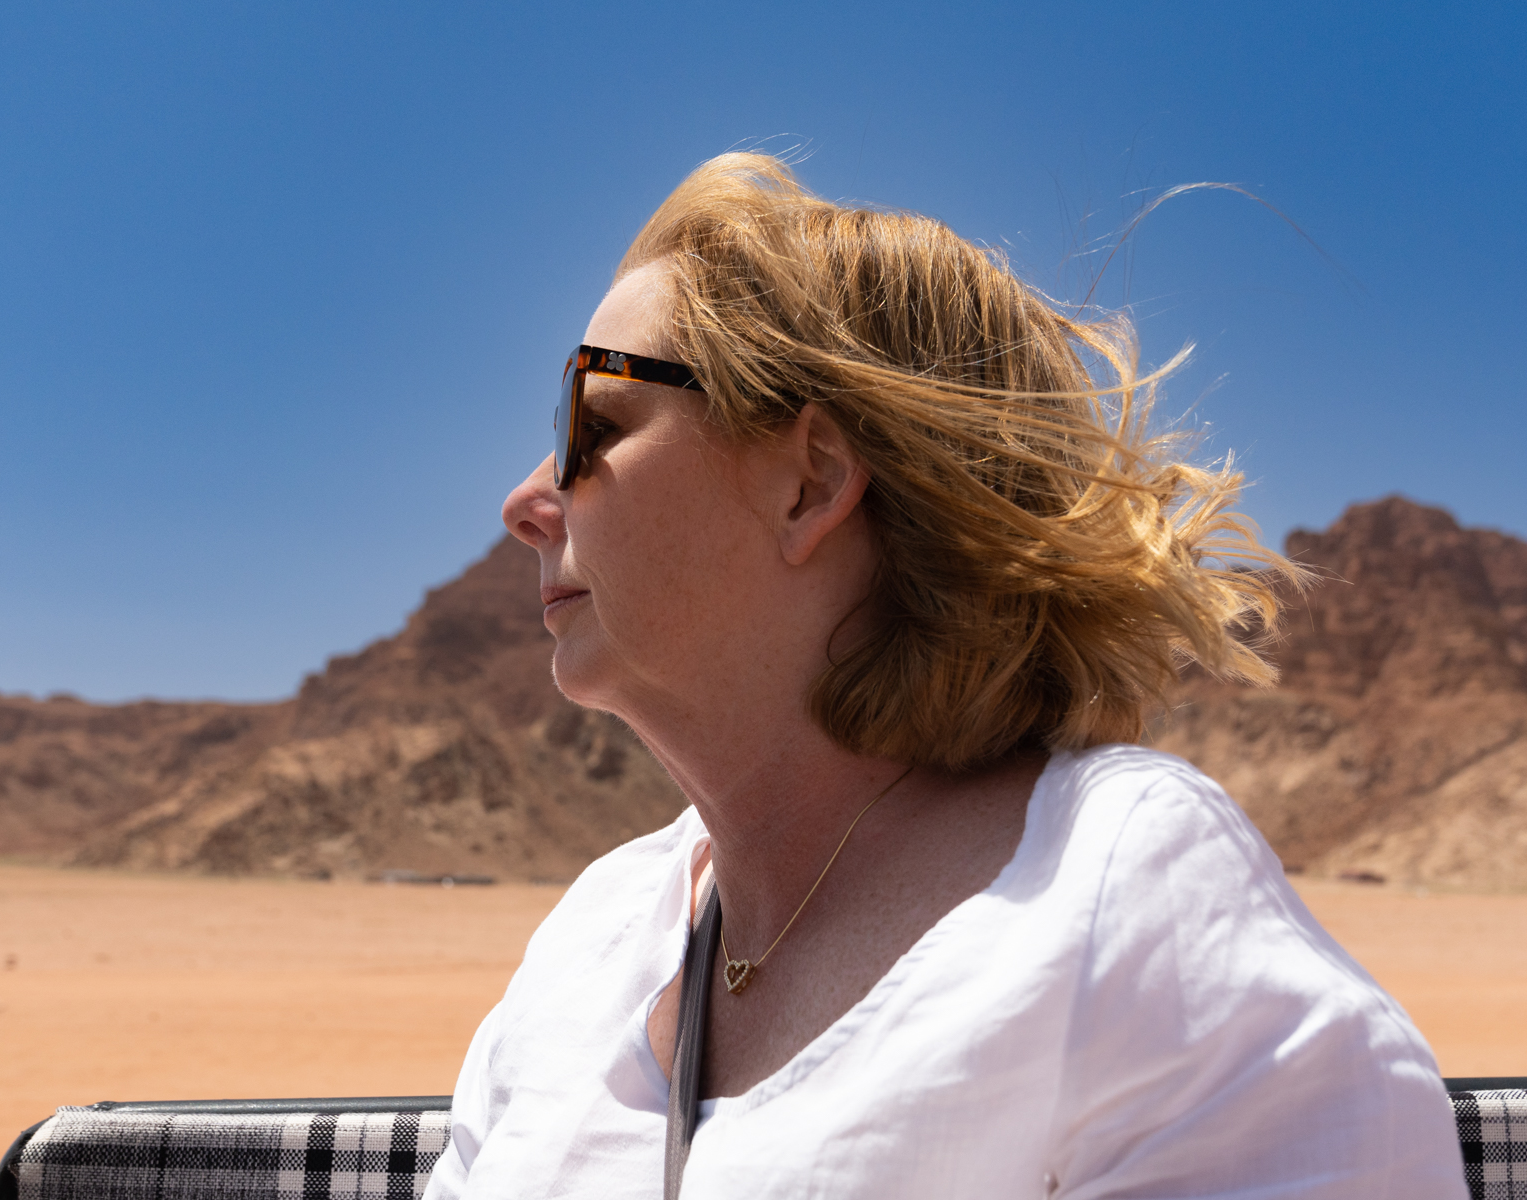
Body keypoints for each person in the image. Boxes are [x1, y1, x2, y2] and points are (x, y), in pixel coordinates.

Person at [424, 153, 1463, 1198]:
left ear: (812, 482)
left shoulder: (1116, 889)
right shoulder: (594, 935)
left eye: (591, 427)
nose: (525, 499)